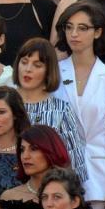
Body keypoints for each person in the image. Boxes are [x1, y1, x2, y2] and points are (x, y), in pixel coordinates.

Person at [53, 1, 105, 209]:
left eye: (82, 28)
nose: (74, 34)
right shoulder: (52, 74)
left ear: (98, 32)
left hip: (100, 179)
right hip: (58, 176)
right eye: (69, 27)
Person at [13, 40, 86, 183]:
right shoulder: (3, 101)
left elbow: (76, 164)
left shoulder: (61, 109)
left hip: (48, 191)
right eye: (24, 62)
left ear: (49, 70)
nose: (28, 69)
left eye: (37, 65)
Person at [0, 125, 74, 209]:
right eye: (22, 150)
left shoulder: (69, 195)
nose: (25, 156)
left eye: (33, 149)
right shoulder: (9, 197)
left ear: (51, 151)